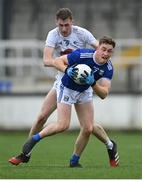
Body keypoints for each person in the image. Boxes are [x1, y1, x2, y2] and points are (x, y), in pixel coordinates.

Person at [8, 8, 119, 167]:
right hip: (63, 80)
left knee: (88, 127)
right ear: (57, 23)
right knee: (45, 118)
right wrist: (69, 68)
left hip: (85, 85)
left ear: (72, 22)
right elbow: (47, 61)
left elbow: (101, 51)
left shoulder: (84, 35)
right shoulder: (54, 35)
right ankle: (25, 152)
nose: (64, 29)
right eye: (61, 25)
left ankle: (103, 147)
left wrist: (92, 75)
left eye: (67, 25)